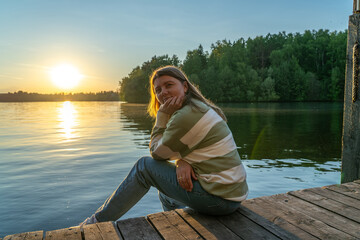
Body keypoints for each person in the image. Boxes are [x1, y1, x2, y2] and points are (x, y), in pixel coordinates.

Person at [80, 65, 248, 225]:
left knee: (144, 168)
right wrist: (182, 161)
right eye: (158, 90)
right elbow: (184, 148)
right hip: (233, 196)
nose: (163, 93)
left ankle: (96, 222)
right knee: (167, 194)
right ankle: (180, 229)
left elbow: (157, 153)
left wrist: (161, 116)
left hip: (219, 200)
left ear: (185, 86)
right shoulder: (199, 108)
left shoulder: (185, 116)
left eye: (169, 85)